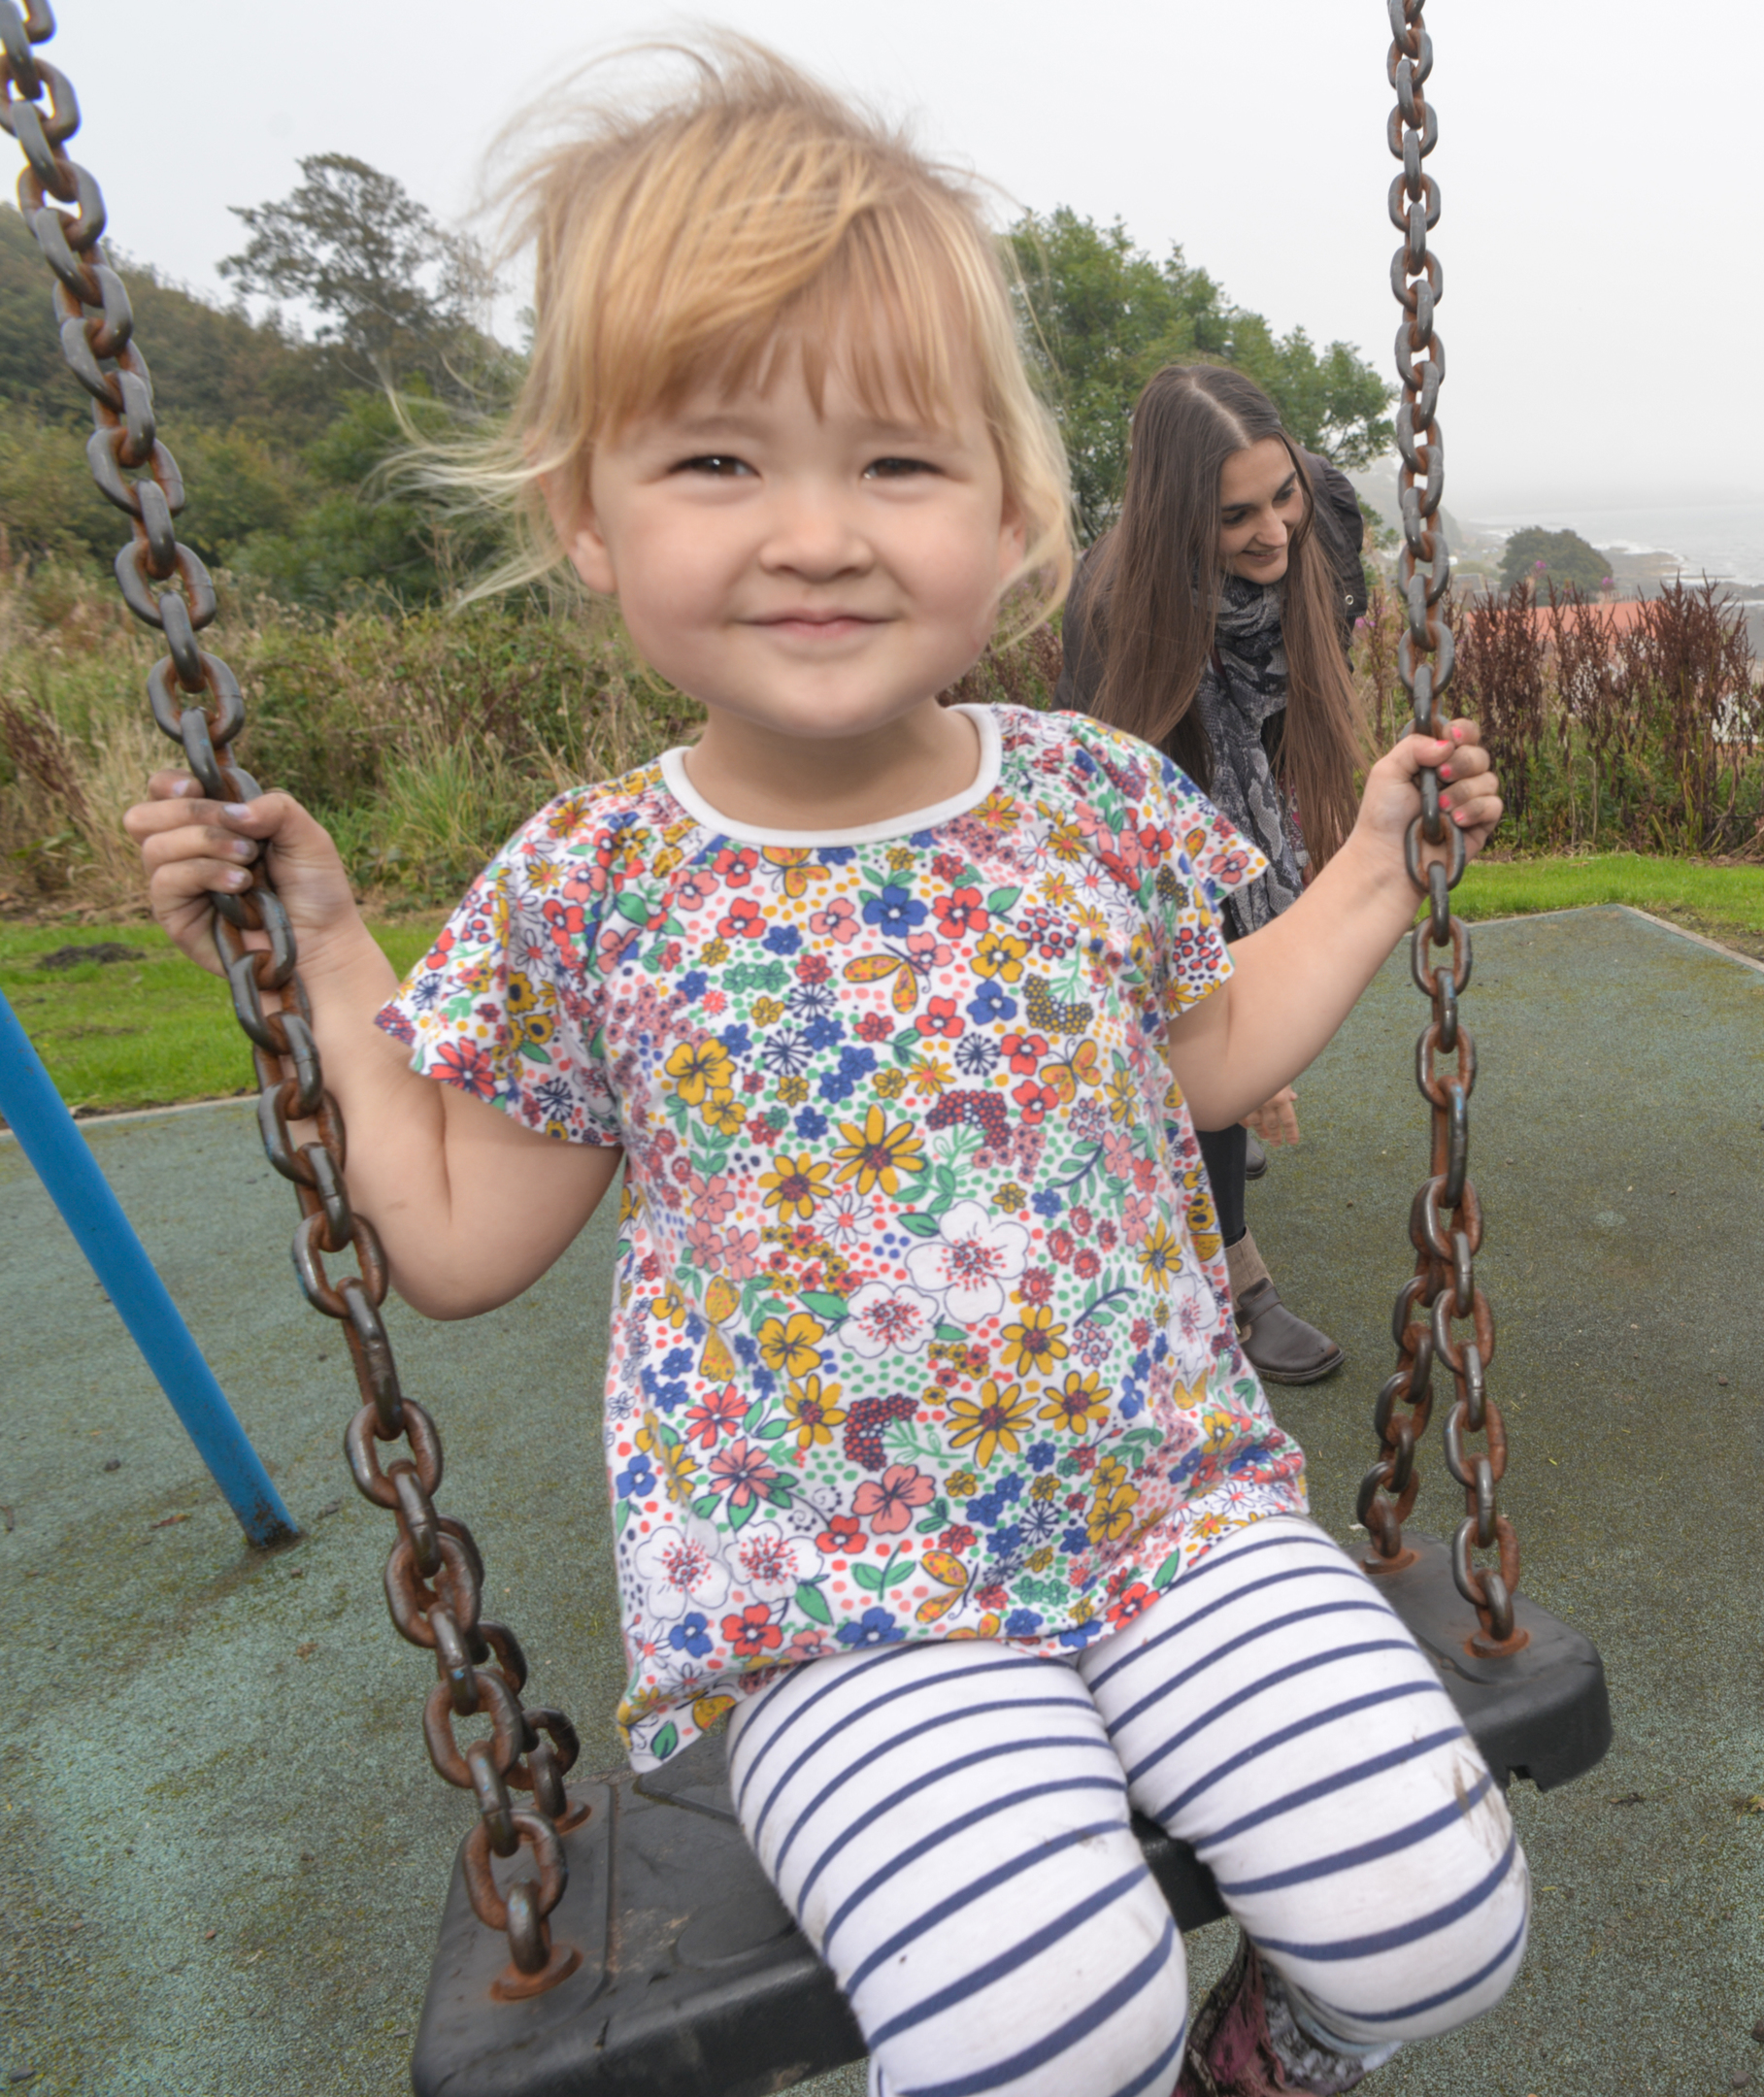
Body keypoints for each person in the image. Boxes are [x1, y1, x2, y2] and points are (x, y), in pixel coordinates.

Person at [127, 43, 1522, 2096]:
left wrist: (1387, 868)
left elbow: (1210, 1052)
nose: (817, 533)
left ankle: (1277, 2060)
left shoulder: (1092, 802)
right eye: (712, 464)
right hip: (843, 1606)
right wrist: (326, 954)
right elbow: (449, 1236)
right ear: (583, 521)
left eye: (895, 463)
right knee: (1047, 2025)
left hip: (1174, 1514)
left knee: (1437, 1922)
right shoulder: (593, 886)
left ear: (1014, 515)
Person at [1059, 362, 1373, 1386]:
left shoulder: (1323, 511)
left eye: (1278, 492)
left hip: (1256, 728)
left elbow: (1323, 627)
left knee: (1256, 975)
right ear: (1177, 519)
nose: (1273, 530)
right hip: (1155, 757)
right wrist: (1243, 1031)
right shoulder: (1119, 609)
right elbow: (1159, 858)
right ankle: (1236, 1279)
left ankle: (1228, 1123)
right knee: (1202, 1018)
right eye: (1234, 516)